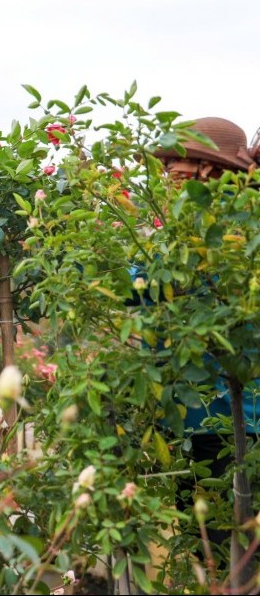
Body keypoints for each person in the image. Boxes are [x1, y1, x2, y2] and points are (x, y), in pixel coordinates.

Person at [145, 117, 259, 551]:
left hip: (225, 424)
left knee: (214, 553)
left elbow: (137, 286)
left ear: (210, 173)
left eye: (177, 175)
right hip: (212, 422)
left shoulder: (213, 236)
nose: (168, 186)